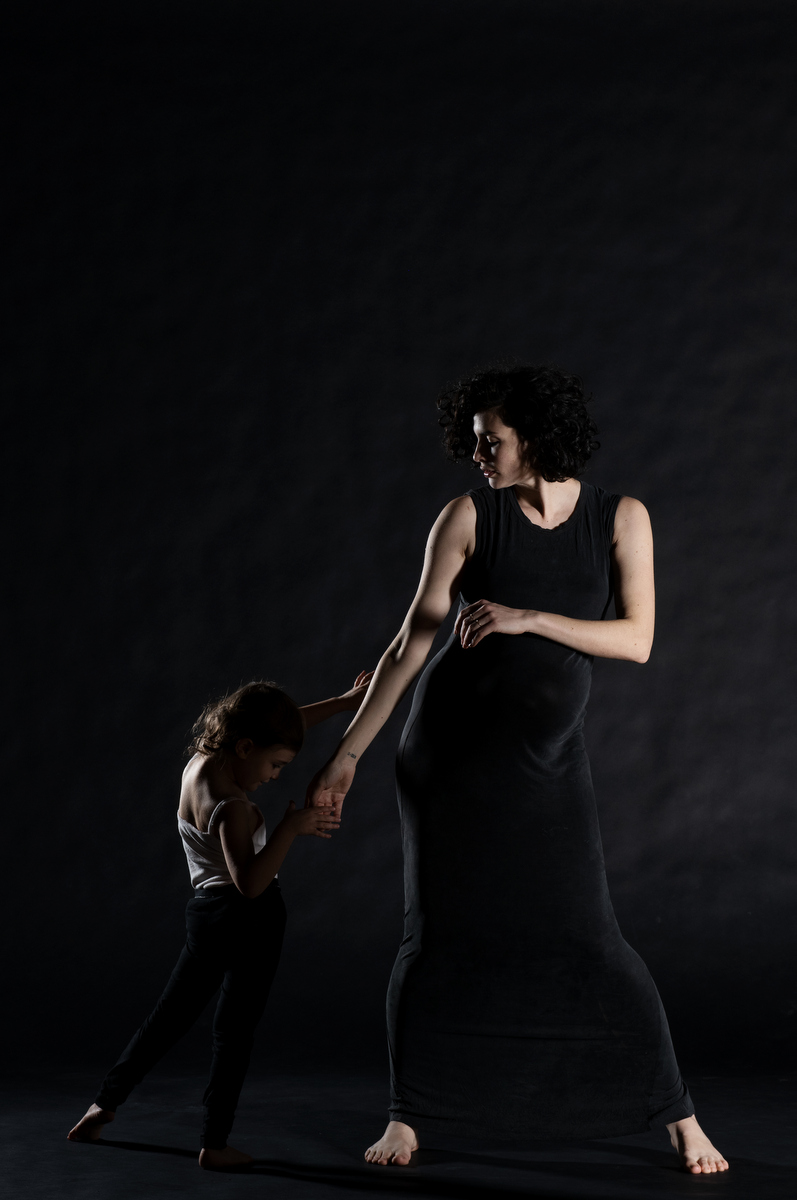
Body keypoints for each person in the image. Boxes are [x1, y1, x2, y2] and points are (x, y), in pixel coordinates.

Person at [306, 364, 729, 1176]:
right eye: (473, 441)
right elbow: (408, 646)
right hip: (448, 759)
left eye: (489, 441)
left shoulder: (620, 516)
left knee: (591, 938)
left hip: (546, 762)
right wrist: (346, 756)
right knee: (435, 937)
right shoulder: (467, 516)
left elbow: (636, 639)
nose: (477, 454)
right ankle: (408, 1114)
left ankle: (678, 1115)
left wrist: (529, 616)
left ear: (533, 436)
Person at [68, 672, 372, 1171]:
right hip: (251, 919)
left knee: (166, 1020)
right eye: (275, 765)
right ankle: (215, 1143)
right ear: (246, 747)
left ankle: (102, 1105)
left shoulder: (201, 764)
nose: (275, 776)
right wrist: (289, 829)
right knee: (233, 1033)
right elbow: (249, 883)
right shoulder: (233, 808)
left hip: (206, 917)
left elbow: (281, 724)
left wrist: (343, 703)